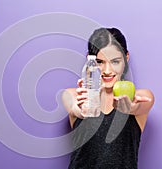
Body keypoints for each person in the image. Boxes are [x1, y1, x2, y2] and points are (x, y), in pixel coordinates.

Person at [62, 27, 154, 169]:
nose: (107, 70)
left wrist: (130, 108)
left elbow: (140, 106)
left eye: (115, 61)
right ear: (90, 60)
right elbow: (75, 109)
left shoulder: (140, 97)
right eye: (100, 62)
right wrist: (83, 110)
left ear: (126, 58)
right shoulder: (75, 95)